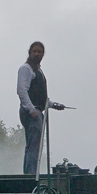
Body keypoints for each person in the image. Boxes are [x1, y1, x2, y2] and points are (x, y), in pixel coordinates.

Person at [16, 42, 64, 175]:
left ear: (43, 54)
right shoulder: (26, 69)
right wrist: (32, 111)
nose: (37, 54)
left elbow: (40, 97)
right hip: (32, 111)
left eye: (39, 52)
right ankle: (30, 175)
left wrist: (53, 104)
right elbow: (21, 91)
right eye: (34, 51)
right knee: (33, 146)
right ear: (29, 53)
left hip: (37, 109)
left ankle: (30, 173)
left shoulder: (38, 71)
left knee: (34, 145)